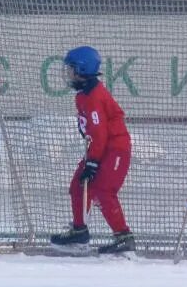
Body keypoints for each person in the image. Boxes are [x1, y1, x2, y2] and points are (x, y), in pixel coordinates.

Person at [50, 46, 135, 255]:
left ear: (82, 69)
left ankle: (123, 236)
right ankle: (79, 231)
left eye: (70, 69)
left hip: (114, 148)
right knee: (78, 186)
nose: (67, 73)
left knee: (103, 191)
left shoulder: (94, 96)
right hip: (97, 148)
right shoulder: (83, 94)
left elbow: (99, 133)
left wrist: (93, 162)